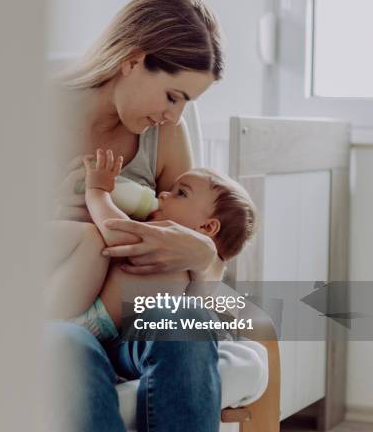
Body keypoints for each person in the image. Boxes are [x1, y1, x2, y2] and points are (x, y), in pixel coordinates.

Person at [45, 0, 229, 432]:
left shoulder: (163, 137)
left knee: (187, 330)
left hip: (129, 320)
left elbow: (208, 265)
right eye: (173, 96)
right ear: (132, 60)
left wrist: (198, 253)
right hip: (52, 319)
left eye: (188, 104)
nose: (175, 116)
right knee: (63, 354)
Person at [50, 147, 256, 344]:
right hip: (91, 317)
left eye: (181, 193)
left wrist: (97, 192)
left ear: (207, 226)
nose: (163, 194)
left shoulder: (176, 257)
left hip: (87, 319)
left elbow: (117, 232)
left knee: (89, 237)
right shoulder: (198, 271)